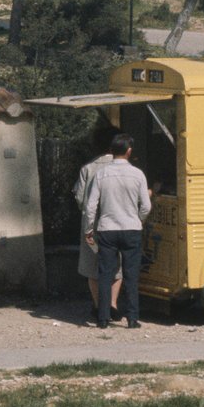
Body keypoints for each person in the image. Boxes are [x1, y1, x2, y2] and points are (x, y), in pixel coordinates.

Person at [83, 133, 152, 329]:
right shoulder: (138, 175)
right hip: (131, 228)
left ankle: (103, 318)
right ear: (129, 151)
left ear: (111, 151)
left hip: (107, 229)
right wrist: (138, 220)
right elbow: (146, 206)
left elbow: (90, 206)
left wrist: (89, 229)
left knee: (105, 273)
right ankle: (132, 318)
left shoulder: (101, 174)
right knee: (131, 275)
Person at [73, 127, 122, 322]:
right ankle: (113, 303)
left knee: (92, 265)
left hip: (91, 228)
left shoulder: (88, 168)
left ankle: (97, 304)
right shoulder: (127, 169)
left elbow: (79, 198)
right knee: (117, 266)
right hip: (116, 225)